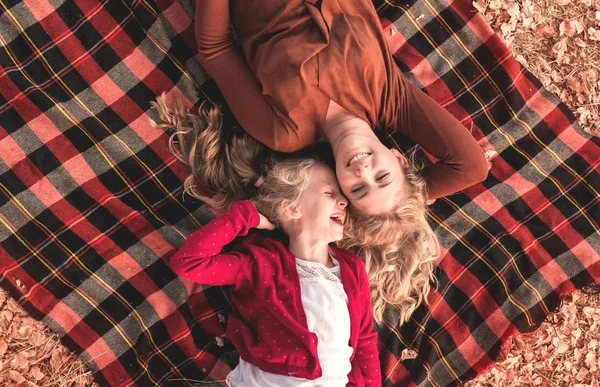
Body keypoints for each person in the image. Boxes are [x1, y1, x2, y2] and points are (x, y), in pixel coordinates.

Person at [154, 0, 490, 326]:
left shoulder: (284, 132)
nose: (363, 171)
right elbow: (472, 167)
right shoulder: (391, 97)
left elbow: (215, 48)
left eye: (358, 188)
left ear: (340, 187)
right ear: (400, 159)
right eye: (383, 177)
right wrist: (407, 203)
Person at [169, 157, 382, 386]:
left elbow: (364, 340)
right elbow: (188, 262)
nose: (344, 202)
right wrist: (244, 217)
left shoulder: (351, 268)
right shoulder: (260, 263)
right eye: (330, 194)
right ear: (291, 208)